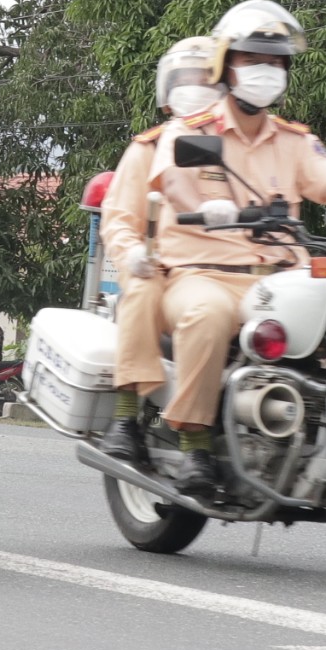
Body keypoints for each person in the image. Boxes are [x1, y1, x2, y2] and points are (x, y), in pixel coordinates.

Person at [149, 1, 326, 498]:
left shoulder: (296, 142)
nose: (267, 70)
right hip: (201, 272)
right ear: (224, 65)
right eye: (254, 59)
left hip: (280, 276)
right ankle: (194, 445)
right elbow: (172, 178)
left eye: (277, 62)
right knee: (209, 315)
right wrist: (206, 204)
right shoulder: (191, 129)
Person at [99, 36, 223, 466]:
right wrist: (132, 253)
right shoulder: (147, 147)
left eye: (207, 80)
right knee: (143, 289)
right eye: (185, 80)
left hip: (226, 271)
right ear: (166, 93)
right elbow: (118, 218)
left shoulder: (241, 148)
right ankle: (127, 417)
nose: (196, 88)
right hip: (162, 268)